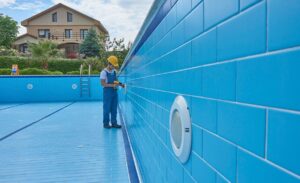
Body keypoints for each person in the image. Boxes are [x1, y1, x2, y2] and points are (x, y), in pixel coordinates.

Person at [100, 55, 124, 129]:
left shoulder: (114, 72)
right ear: (109, 63)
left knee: (114, 108)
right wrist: (112, 85)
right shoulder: (103, 72)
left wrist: (120, 84)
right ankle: (106, 123)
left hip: (114, 92)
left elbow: (116, 81)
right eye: (113, 65)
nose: (114, 67)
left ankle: (114, 123)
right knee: (107, 108)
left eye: (114, 66)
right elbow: (102, 84)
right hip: (107, 92)